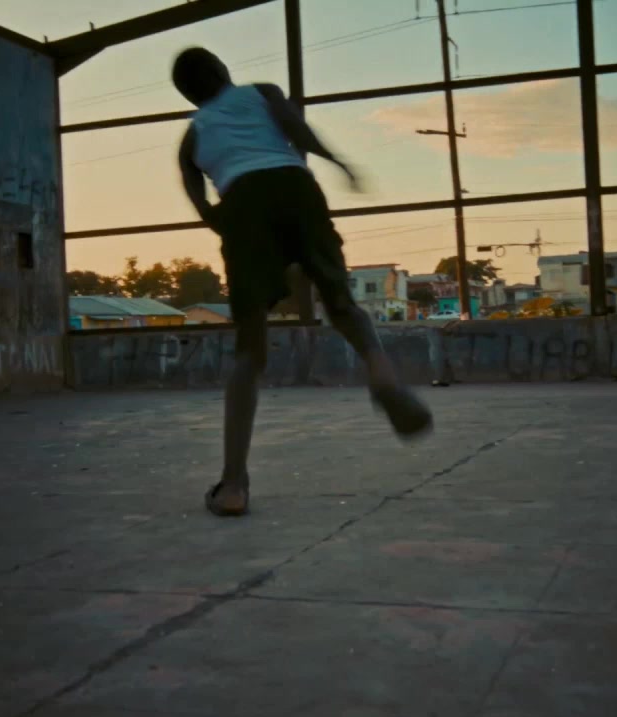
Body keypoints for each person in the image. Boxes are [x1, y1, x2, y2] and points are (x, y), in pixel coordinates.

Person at [172, 47, 433, 517]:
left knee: (250, 351)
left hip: (242, 201)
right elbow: (296, 129)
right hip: (295, 186)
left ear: (188, 96)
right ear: (224, 70)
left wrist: (222, 222)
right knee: (342, 305)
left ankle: (233, 485)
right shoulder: (261, 93)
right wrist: (337, 161)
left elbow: (198, 197)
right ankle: (382, 376)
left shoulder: (192, 136)